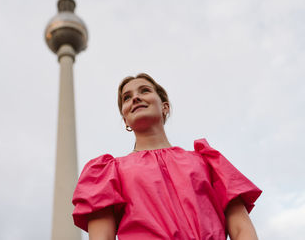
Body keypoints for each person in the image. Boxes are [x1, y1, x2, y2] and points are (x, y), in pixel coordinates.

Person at [72, 73, 262, 240]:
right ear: (125, 120)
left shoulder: (208, 161)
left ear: (165, 107)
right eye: (127, 97)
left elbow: (241, 229)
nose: (135, 98)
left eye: (144, 91)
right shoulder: (107, 173)